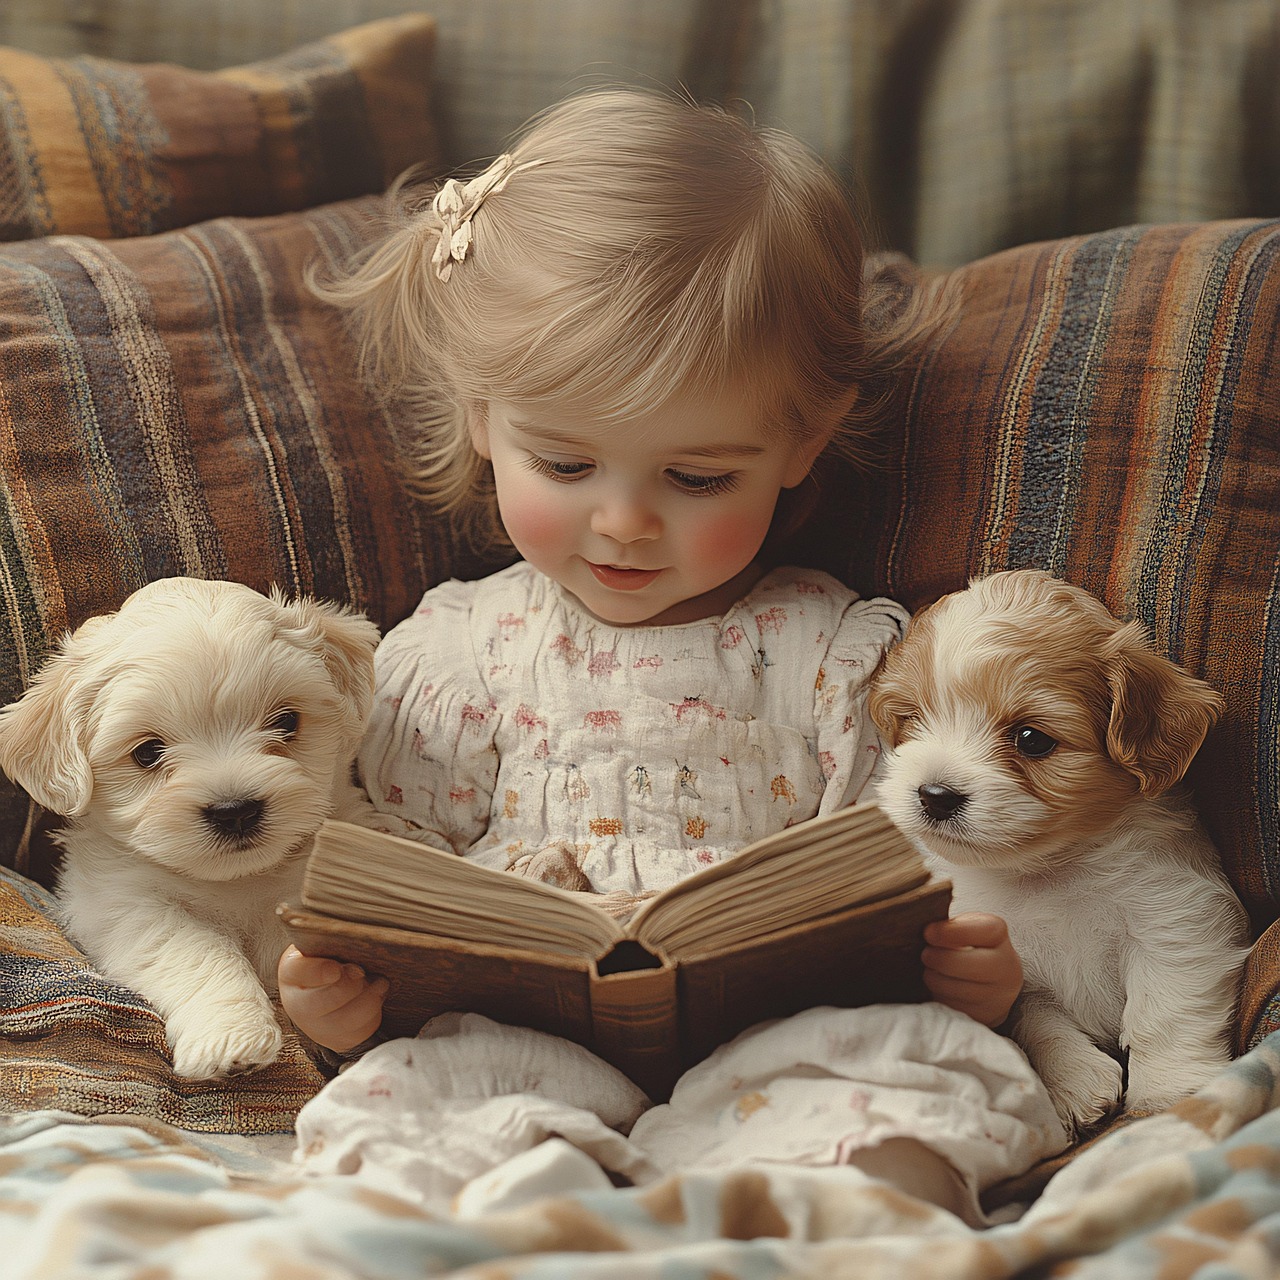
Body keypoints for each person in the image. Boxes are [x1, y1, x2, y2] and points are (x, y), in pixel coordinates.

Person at [278, 87, 1065, 1224]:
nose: (623, 523)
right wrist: (345, 995)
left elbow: (908, 872)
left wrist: (971, 978)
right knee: (407, 1111)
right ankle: (499, 1230)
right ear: (482, 415)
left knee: (907, 1077)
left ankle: (860, 1232)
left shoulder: (837, 653)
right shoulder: (450, 650)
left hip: (784, 1039)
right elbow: (394, 860)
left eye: (695, 478)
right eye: (563, 464)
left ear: (800, 440)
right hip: (514, 1037)